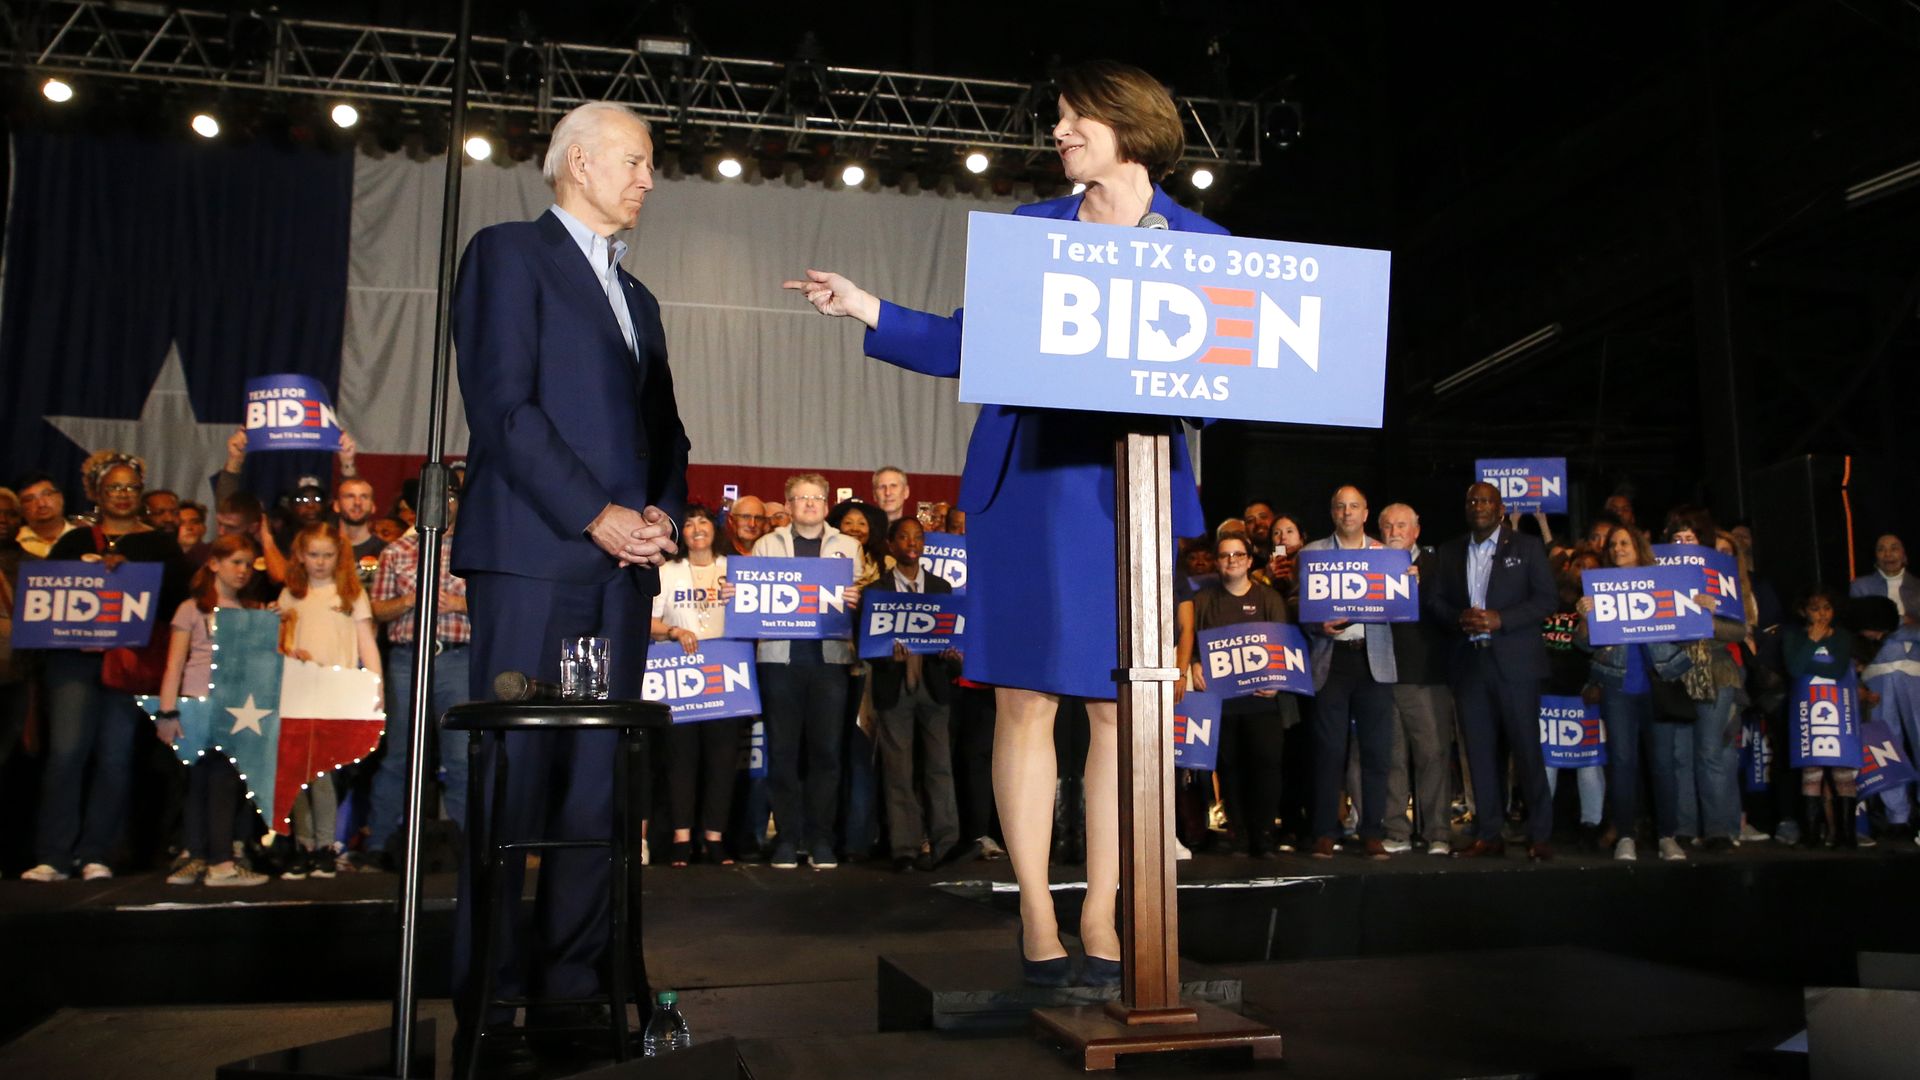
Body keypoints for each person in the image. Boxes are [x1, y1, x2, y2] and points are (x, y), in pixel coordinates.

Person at [785, 59, 1221, 988]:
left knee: (1118, 709)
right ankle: (1035, 908)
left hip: (1125, 493)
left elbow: (1227, 379)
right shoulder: (1033, 230)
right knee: (1025, 700)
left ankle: (1102, 910)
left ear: (1129, 127)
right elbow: (969, 340)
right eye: (1057, 118)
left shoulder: (1201, 244)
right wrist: (865, 306)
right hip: (1026, 487)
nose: (1057, 134)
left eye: (1074, 119)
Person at [448, 98, 689, 1048]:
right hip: (534, 560)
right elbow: (504, 409)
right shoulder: (509, 255)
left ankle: (578, 986)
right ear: (579, 162)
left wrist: (661, 511)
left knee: (598, 786)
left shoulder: (641, 300)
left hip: (622, 573)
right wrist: (596, 514)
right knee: (514, 777)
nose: (648, 179)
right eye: (635, 160)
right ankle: (494, 995)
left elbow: (666, 432)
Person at [24, 453, 190, 881]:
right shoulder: (75, 541)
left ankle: (96, 854)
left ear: (141, 494)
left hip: (128, 664)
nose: (122, 494)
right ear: (98, 494)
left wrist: (131, 576)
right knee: (66, 754)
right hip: (72, 662)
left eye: (130, 487)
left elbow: (177, 604)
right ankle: (53, 856)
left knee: (115, 758)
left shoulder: (161, 545)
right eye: (114, 487)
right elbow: (46, 597)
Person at [1426, 482, 1558, 861]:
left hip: (1516, 665)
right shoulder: (1449, 551)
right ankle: (1489, 834)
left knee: (1526, 750)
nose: (1478, 506)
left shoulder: (1526, 547)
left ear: (1500, 509)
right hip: (1470, 664)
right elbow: (1434, 601)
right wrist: (1458, 617)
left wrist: (1503, 619)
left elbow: (1547, 599)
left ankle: (1540, 834)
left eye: (1486, 501)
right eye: (1472, 500)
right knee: (1480, 754)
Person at [751, 474, 863, 870]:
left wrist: (857, 598)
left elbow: (858, 602)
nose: (810, 503)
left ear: (827, 503)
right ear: (789, 504)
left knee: (827, 754)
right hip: (779, 660)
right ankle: (787, 837)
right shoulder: (767, 544)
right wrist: (737, 595)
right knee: (782, 753)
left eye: (817, 497)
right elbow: (752, 597)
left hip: (830, 661)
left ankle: (821, 839)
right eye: (802, 497)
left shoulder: (848, 546)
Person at [153, 534, 271, 886]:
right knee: (201, 780)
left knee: (221, 780)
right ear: (214, 564)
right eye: (236, 562)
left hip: (235, 706)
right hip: (198, 702)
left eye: (248, 564)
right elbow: (175, 663)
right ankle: (209, 859)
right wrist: (167, 711)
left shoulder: (249, 611)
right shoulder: (192, 609)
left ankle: (211, 858)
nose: (243, 570)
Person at [366, 480, 471, 866]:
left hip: (457, 659)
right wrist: (411, 599)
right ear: (416, 506)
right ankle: (379, 844)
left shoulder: (473, 548)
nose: (444, 504)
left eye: (451, 496)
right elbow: (376, 609)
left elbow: (498, 605)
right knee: (399, 755)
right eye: (436, 497)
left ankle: (466, 848)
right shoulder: (396, 551)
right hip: (407, 659)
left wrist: (458, 603)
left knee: (461, 758)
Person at [276, 522, 381, 878]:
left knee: (324, 774)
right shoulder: (291, 594)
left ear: (339, 556)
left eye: (327, 555)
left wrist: (376, 685)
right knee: (296, 774)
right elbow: (279, 644)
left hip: (336, 695)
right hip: (296, 694)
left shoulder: (350, 594)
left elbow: (366, 644)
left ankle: (325, 846)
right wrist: (289, 650)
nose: (320, 562)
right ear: (300, 556)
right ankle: (303, 845)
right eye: (313, 554)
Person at [1301, 486, 1399, 859]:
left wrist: (1407, 582)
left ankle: (1372, 831)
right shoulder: (1312, 554)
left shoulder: (1387, 556)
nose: (1347, 512)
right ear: (1332, 513)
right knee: (1328, 751)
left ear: (1366, 513)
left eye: (1354, 506)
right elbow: (1302, 609)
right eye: (1340, 507)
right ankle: (1324, 831)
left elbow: (1400, 607)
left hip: (1373, 660)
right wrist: (1317, 625)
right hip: (1331, 660)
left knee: (1376, 751)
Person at [1579, 526, 1688, 861]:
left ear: (1639, 547)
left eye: (1624, 543)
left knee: (1663, 765)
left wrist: (1700, 607)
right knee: (1623, 763)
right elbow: (1583, 643)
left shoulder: (1665, 583)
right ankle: (1625, 836)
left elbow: (1687, 630)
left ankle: (1667, 836)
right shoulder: (1600, 587)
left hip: (1659, 685)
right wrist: (1585, 619)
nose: (1618, 548)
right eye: (1613, 544)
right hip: (1618, 688)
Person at [1185, 533, 1293, 857]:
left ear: (1249, 560)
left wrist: (1277, 679)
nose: (1231, 560)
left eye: (1238, 555)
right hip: (1221, 702)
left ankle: (1264, 834)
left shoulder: (1269, 598)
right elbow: (1190, 640)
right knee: (1229, 768)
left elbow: (1283, 645)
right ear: (1217, 562)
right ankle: (1240, 834)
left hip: (1262, 700)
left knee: (1266, 766)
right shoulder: (1204, 600)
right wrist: (1194, 664)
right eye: (1225, 555)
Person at [867, 518, 963, 871]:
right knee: (898, 770)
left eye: (918, 537)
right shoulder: (876, 590)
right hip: (893, 686)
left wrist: (952, 654)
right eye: (904, 537)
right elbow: (868, 644)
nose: (912, 543)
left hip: (934, 684)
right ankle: (905, 848)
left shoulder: (941, 587)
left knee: (940, 767)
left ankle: (945, 844)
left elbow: (953, 632)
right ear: (891, 545)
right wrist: (885, 654)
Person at [650, 505, 739, 867]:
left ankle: (715, 838)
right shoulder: (667, 571)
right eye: (688, 523)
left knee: (723, 758)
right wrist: (674, 630)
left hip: (727, 673)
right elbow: (648, 620)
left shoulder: (734, 569)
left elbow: (756, 615)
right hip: (679, 674)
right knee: (680, 758)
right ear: (680, 534)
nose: (697, 528)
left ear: (716, 529)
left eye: (703, 521)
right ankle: (681, 837)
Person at [1378, 503, 1456, 856]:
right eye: (1388, 526)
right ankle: (1396, 831)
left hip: (1425, 674)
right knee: (1391, 758)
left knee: (1433, 755)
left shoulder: (1436, 566)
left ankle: (1437, 832)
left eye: (1401, 525)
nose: (1394, 532)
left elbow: (1452, 616)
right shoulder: (1369, 566)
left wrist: (1423, 588)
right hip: (1382, 672)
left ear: (1416, 530)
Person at [1781, 587, 1858, 848]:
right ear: (1804, 611)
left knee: (1842, 769)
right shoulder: (1793, 635)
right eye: (1815, 609)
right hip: (1808, 707)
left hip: (1838, 707)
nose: (1822, 614)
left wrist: (1807, 661)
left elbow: (1837, 670)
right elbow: (1793, 668)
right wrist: (1811, 642)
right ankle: (1811, 835)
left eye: (1827, 608)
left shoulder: (1842, 636)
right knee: (1811, 769)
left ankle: (1847, 836)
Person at [1850, 535, 1920, 628]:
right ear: (1876, 557)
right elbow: (1862, 622)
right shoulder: (1861, 586)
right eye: (1881, 550)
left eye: (1894, 549)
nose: (1887, 554)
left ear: (1904, 556)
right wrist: (1902, 620)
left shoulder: (1917, 586)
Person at [15, 472, 78, 558]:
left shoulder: (82, 537)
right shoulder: (14, 541)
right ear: (20, 507)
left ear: (61, 498)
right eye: (30, 499)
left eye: (47, 494)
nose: (41, 504)